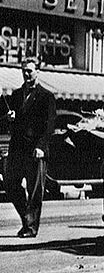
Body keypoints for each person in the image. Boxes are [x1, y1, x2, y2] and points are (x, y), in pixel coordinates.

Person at [0, 57, 56, 238]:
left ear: (38, 72)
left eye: (30, 71)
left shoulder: (46, 96)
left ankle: (31, 227)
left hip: (35, 150)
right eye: (24, 70)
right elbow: (11, 122)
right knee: (10, 184)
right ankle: (27, 218)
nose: (26, 74)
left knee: (34, 190)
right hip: (17, 149)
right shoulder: (16, 95)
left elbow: (49, 126)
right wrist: (9, 118)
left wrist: (41, 146)